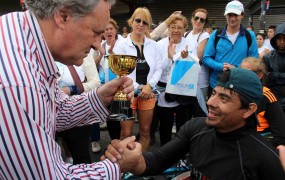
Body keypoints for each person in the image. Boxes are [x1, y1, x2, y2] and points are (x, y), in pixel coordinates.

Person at [0, 0, 134, 179]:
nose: (97, 45)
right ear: (63, 16)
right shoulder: (18, 85)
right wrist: (117, 166)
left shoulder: (18, 32)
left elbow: (53, 110)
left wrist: (99, 98)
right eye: (95, 33)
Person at [103, 68, 285, 179]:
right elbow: (160, 160)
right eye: (213, 93)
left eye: (224, 98)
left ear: (249, 110)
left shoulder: (265, 159)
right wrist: (133, 162)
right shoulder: (196, 127)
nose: (210, 102)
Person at [113, 7, 162, 152]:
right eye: (138, 20)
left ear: (148, 26)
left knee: (145, 131)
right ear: (131, 22)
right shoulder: (121, 45)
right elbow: (120, 71)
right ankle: (122, 166)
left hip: (148, 92)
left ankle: (142, 165)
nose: (141, 24)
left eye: (145, 22)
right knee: (126, 133)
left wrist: (149, 85)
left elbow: (159, 68)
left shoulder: (153, 45)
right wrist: (138, 87)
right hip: (124, 92)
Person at [202, 0, 258, 94]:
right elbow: (206, 58)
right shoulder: (216, 35)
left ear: (242, 15)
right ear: (225, 15)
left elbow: (254, 61)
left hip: (239, 86)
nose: (232, 18)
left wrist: (235, 68)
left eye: (235, 15)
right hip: (217, 85)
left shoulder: (250, 36)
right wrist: (220, 66)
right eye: (229, 15)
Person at [56, 53, 101, 162]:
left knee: (80, 152)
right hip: (54, 108)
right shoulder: (50, 51)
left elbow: (96, 83)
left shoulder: (83, 51)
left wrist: (70, 89)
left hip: (77, 108)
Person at [156, 13, 191, 145]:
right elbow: (157, 70)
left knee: (183, 127)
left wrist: (185, 60)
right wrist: (170, 57)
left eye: (180, 27)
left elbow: (194, 69)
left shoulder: (189, 44)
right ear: (168, 28)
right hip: (164, 89)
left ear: (184, 29)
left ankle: (181, 155)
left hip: (183, 90)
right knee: (165, 125)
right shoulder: (159, 45)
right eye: (173, 26)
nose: (176, 30)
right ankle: (165, 154)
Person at [240, 57, 285, 147]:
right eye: (241, 72)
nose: (242, 76)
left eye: (247, 72)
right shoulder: (237, 93)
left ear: (259, 75)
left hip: (259, 141)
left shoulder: (267, 97)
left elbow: (281, 136)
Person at [263, 23, 285, 113]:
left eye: (284, 39)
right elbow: (265, 79)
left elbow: (270, 76)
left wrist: (273, 75)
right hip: (273, 99)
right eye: (279, 39)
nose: (282, 42)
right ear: (275, 40)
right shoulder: (268, 57)